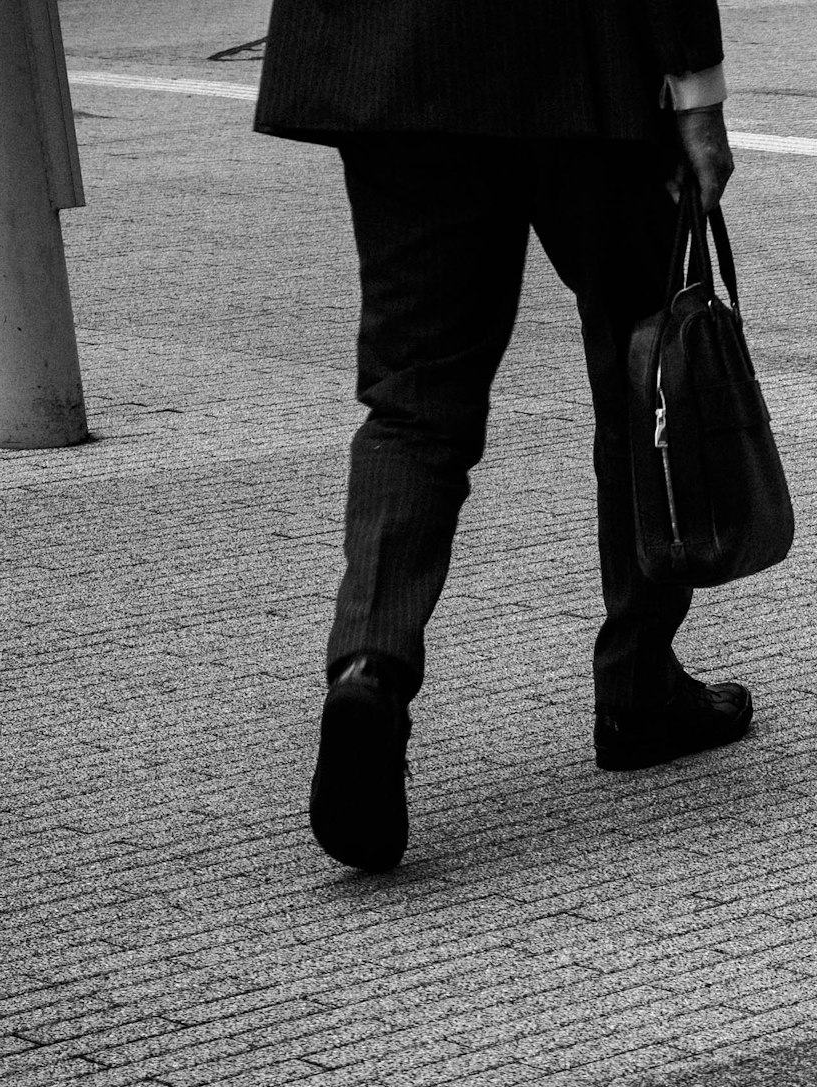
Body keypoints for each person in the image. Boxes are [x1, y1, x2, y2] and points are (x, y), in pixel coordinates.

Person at [256, 0, 757, 873]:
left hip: (397, 61)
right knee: (644, 370)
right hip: (581, 63)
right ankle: (638, 687)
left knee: (414, 399)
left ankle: (370, 669)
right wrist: (697, 91)